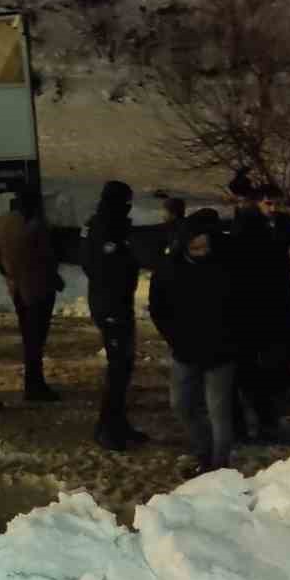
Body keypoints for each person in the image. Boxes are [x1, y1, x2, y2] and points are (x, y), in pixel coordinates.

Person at [149, 211, 239, 475]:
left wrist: (231, 338)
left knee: (219, 413)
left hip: (220, 353)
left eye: (206, 246)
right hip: (185, 351)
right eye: (196, 247)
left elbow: (241, 306)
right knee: (181, 404)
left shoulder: (225, 266)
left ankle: (219, 468)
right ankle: (203, 449)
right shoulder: (170, 268)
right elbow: (158, 307)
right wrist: (175, 337)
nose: (202, 251)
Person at [227, 184, 290, 441]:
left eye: (276, 203)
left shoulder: (282, 223)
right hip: (253, 303)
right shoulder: (246, 226)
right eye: (268, 203)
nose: (273, 208)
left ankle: (269, 417)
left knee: (274, 362)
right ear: (257, 203)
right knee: (251, 368)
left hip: (278, 301)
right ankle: (251, 421)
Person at [81, 180, 147, 451]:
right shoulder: (107, 227)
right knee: (119, 368)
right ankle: (107, 427)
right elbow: (106, 266)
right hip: (112, 305)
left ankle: (117, 423)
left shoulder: (101, 223)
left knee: (123, 366)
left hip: (111, 302)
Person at [0, 187, 64, 402]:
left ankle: (34, 382)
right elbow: (46, 258)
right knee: (36, 339)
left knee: (28, 338)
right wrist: (54, 280)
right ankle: (35, 385)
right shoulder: (37, 227)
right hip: (38, 290)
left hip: (17, 289)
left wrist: (11, 275)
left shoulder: (2, 222)